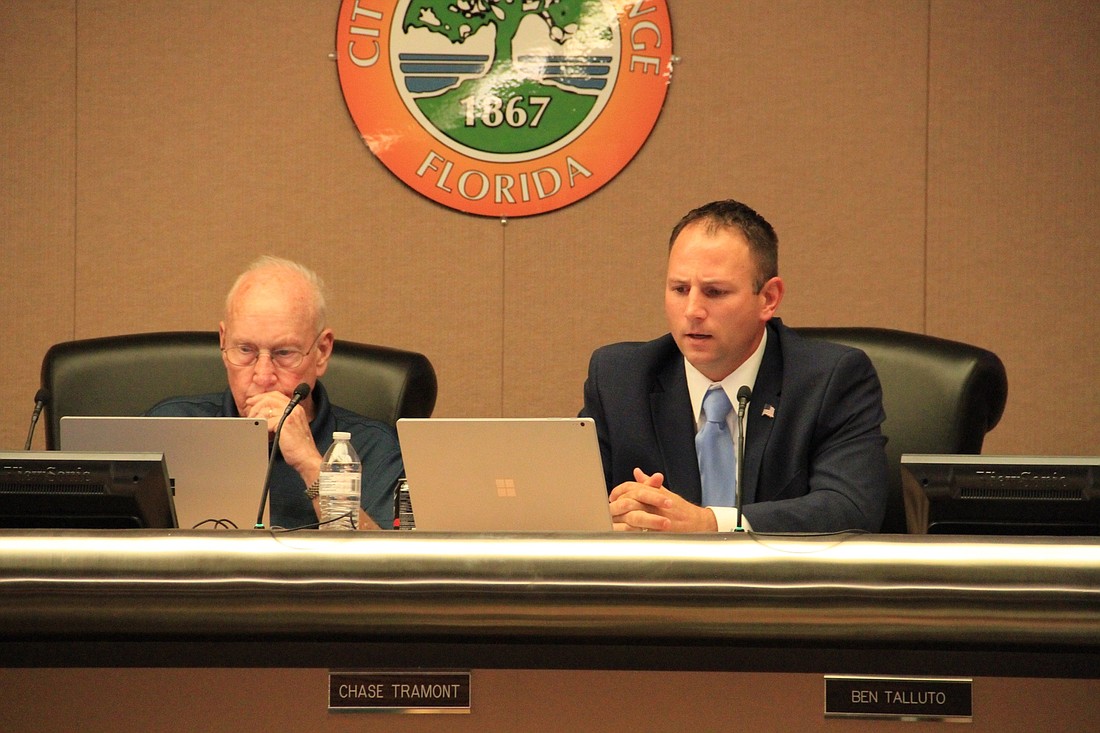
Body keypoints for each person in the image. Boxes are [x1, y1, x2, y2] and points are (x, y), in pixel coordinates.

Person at [581, 199, 888, 533]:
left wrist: (710, 524)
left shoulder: (831, 379)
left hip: (780, 582)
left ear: (768, 298)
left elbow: (850, 507)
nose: (693, 310)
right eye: (680, 289)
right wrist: (617, 517)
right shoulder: (620, 379)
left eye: (714, 292)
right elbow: (572, 505)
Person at [148, 256, 402, 530]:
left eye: (284, 353)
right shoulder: (168, 428)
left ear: (322, 352)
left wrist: (309, 463)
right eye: (245, 350)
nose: (263, 376)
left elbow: (387, 565)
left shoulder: (374, 448)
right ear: (223, 343)